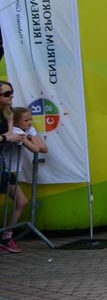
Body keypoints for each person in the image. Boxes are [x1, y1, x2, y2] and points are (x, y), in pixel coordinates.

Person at [1, 105, 48, 253]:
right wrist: (31, 137)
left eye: (30, 119)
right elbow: (35, 149)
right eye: (26, 120)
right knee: (21, 201)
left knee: (21, 202)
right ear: (15, 122)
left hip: (9, 172)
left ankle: (6, 237)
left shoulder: (27, 130)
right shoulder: (16, 132)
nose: (30, 123)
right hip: (3, 169)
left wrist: (31, 135)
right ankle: (6, 238)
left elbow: (44, 149)